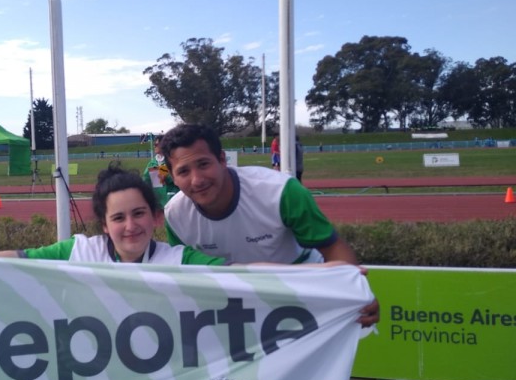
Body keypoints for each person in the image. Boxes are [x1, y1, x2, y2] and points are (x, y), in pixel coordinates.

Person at [158, 123, 379, 327]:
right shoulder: (175, 214)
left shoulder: (280, 191)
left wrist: (356, 294)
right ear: (173, 178)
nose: (197, 179)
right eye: (183, 171)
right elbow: (185, 276)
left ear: (223, 160)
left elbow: (331, 247)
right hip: (233, 299)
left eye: (204, 164)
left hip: (301, 287)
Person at [0, 161, 222, 266]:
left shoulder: (179, 260)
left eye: (139, 213)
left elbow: (240, 275)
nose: (131, 225)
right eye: (118, 218)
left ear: (155, 217)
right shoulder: (80, 252)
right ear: (104, 225)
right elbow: (21, 259)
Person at [142, 135, 180, 208]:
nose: (154, 146)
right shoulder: (153, 163)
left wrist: (167, 177)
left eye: (157, 144)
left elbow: (180, 178)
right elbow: (147, 180)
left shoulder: (172, 160)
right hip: (158, 200)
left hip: (173, 197)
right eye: (154, 144)